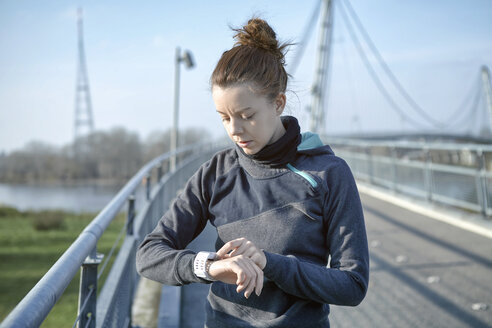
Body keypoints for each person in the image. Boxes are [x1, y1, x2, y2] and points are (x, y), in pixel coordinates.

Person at [136, 17, 369, 328]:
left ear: (278, 103)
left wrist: (270, 263)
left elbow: (352, 284)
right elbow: (149, 254)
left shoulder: (329, 173)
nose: (235, 129)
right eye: (224, 118)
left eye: (247, 115)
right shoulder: (216, 173)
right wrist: (210, 266)